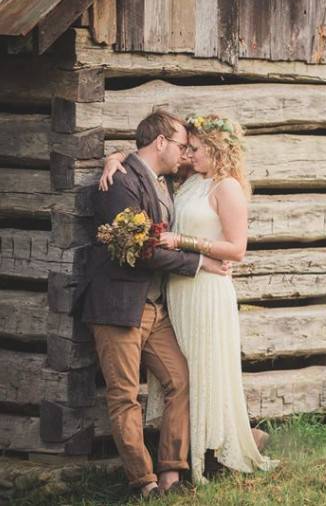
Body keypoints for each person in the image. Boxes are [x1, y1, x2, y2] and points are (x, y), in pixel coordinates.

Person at [101, 114, 277, 485]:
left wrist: (188, 247)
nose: (187, 155)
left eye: (194, 149)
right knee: (160, 384)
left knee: (194, 376)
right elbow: (143, 160)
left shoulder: (225, 186)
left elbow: (237, 248)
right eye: (186, 147)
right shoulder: (186, 181)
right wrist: (113, 157)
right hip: (171, 294)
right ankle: (156, 478)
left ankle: (197, 457)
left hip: (202, 292)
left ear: (214, 149)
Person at [77, 111, 232, 498]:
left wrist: (117, 152)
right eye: (181, 145)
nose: (184, 153)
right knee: (124, 396)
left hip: (153, 308)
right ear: (160, 142)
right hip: (117, 308)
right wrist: (200, 262)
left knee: (181, 380)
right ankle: (144, 482)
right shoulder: (119, 183)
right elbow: (140, 248)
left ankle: (171, 472)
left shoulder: (165, 181)